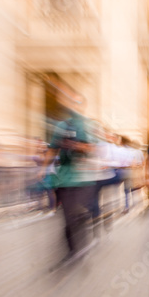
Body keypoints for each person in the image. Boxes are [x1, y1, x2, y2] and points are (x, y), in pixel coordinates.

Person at [44, 93, 97, 268]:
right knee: (68, 218)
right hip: (65, 179)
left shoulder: (88, 125)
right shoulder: (61, 125)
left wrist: (76, 146)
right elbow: (52, 149)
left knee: (77, 214)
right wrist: (43, 168)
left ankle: (81, 243)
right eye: (72, 102)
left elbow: (93, 148)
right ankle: (73, 251)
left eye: (78, 102)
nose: (74, 105)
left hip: (83, 179)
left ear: (83, 105)